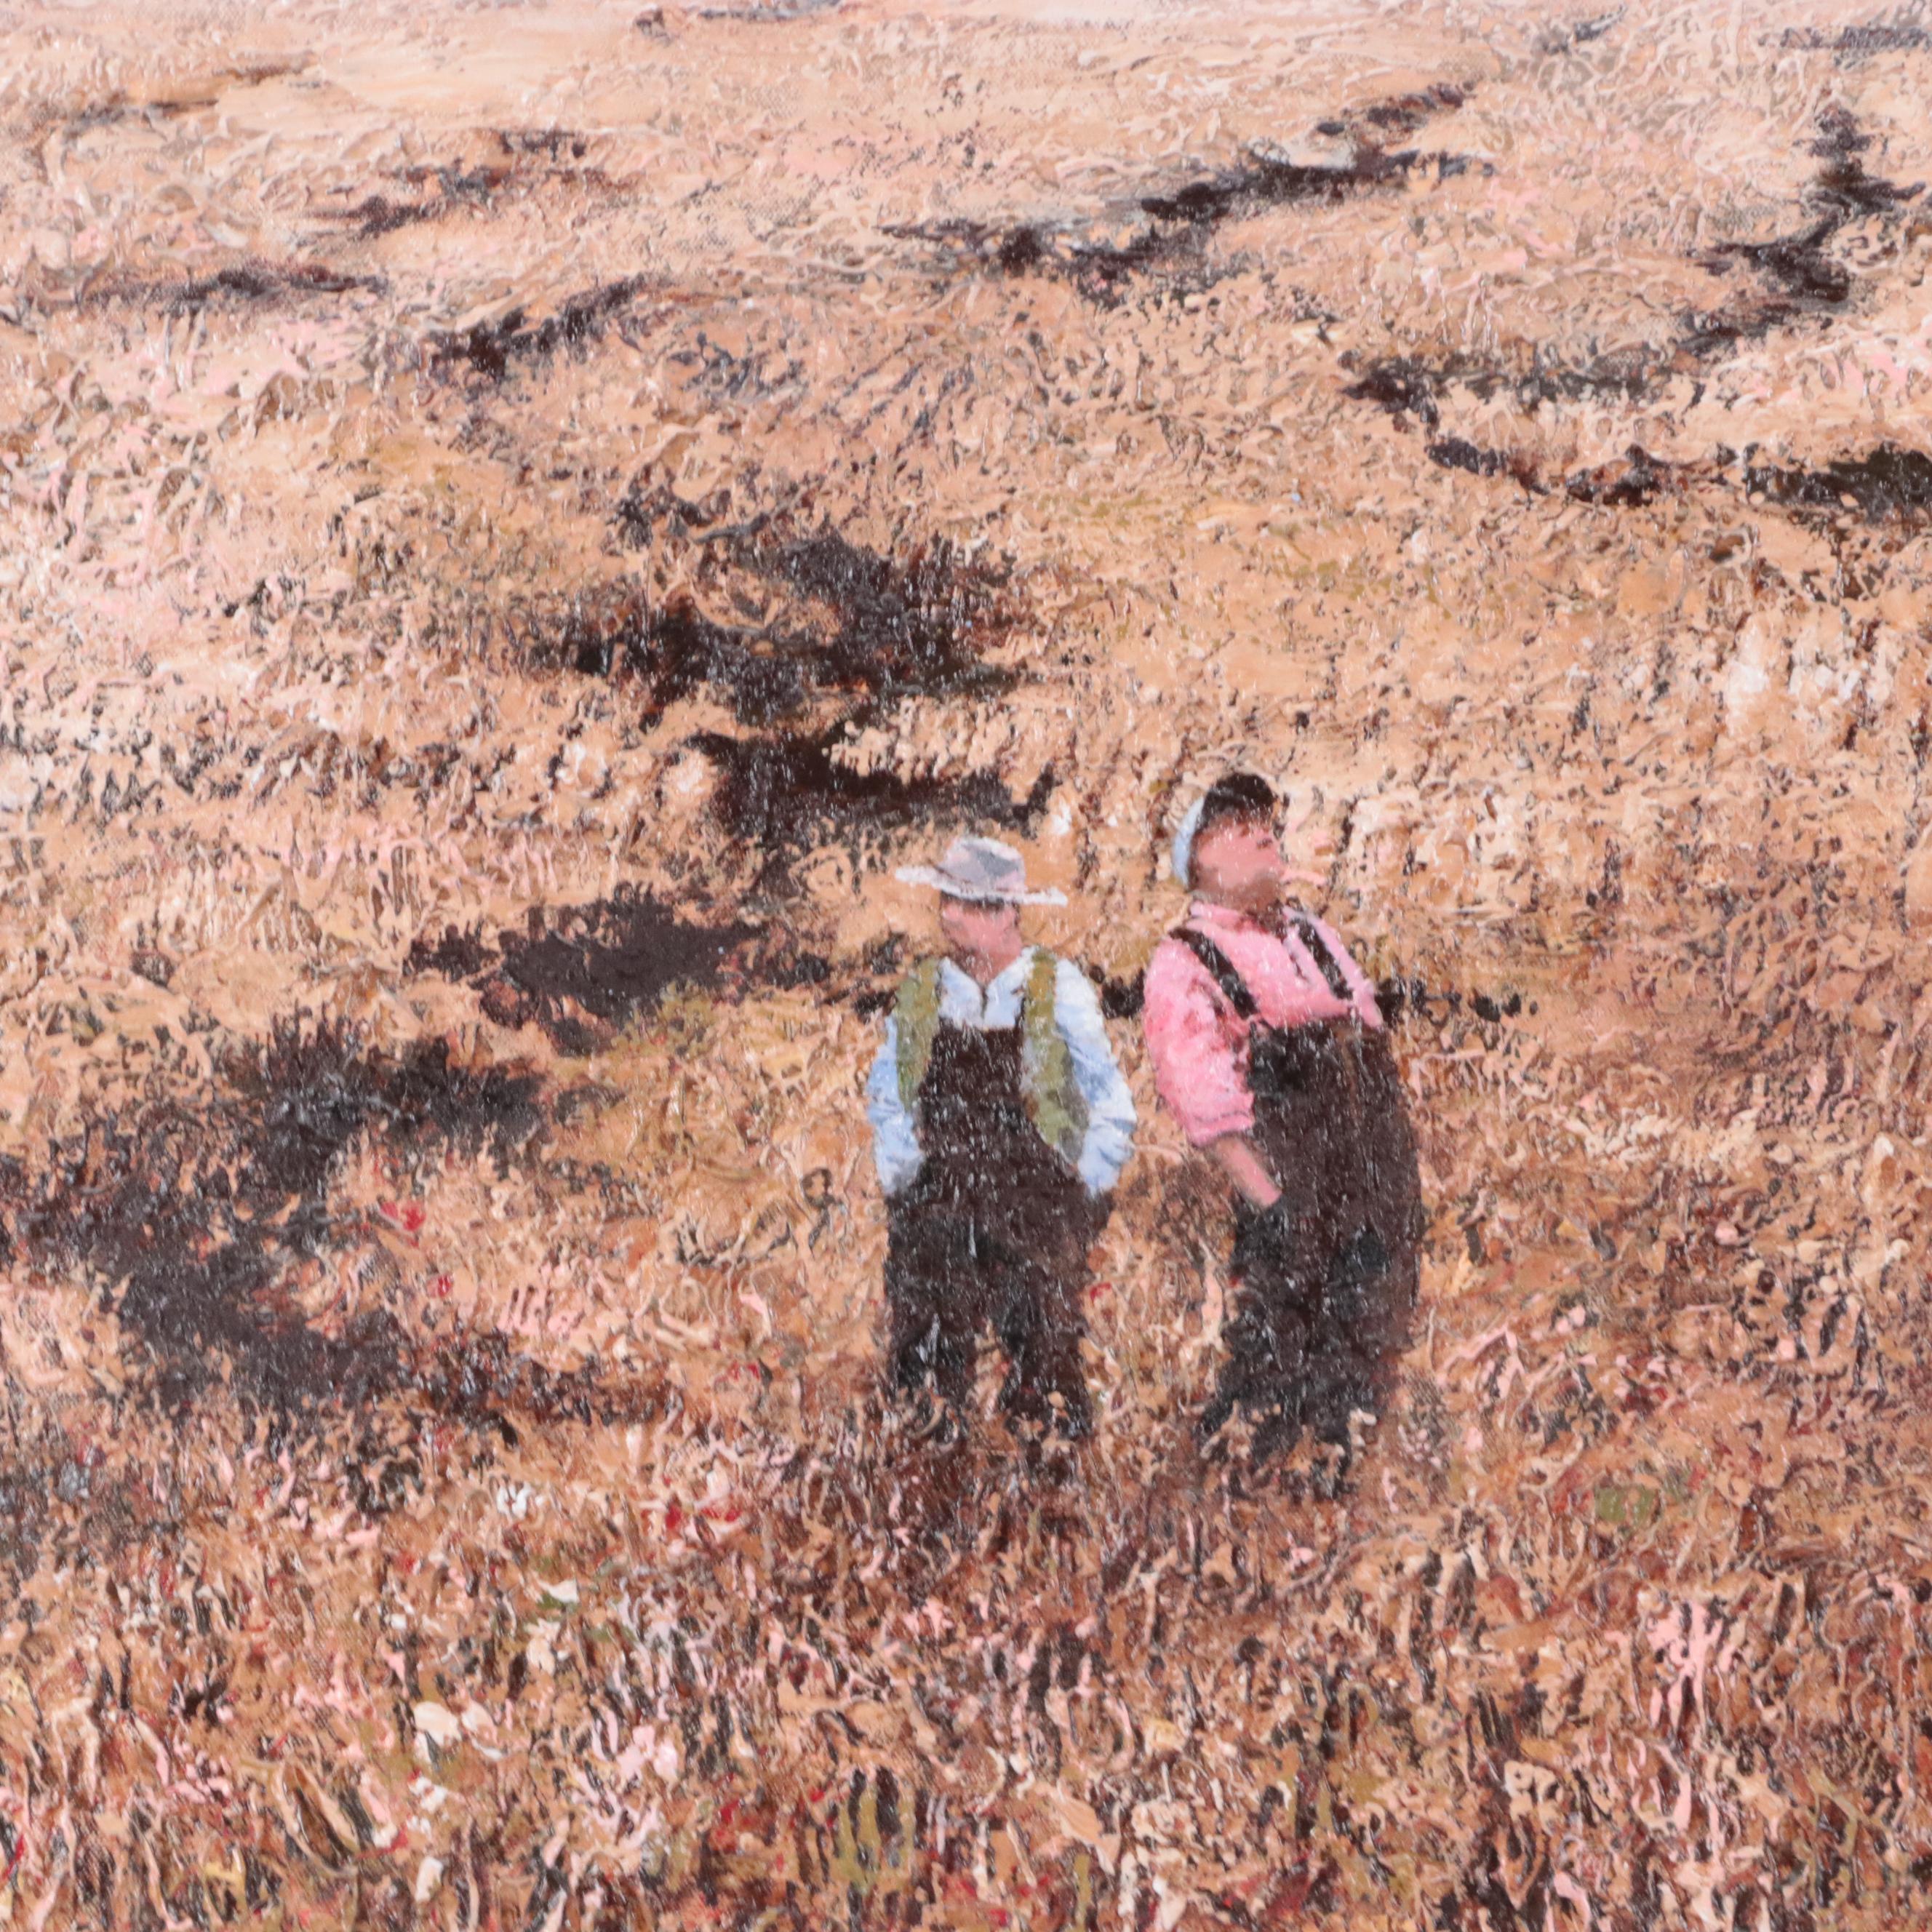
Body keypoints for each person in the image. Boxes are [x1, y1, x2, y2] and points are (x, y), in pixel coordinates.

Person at [1141, 773, 1424, 1470]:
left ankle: (1334, 1479)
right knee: (1278, 1337)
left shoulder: (1313, 934)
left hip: (1371, 1168)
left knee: (1368, 1326)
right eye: (1237, 827)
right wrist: (1271, 1205)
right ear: (1197, 862)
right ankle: (1231, 1486)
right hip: (1288, 1179)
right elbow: (1204, 1102)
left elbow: (1368, 1031)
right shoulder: (1187, 961)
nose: (1263, 833)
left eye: (1265, 820)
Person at [866, 835, 1135, 1444]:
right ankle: (928, 1489)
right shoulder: (923, 991)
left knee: (1046, 1352)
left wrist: (1084, 1195)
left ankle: (1050, 1498)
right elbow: (889, 1097)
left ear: (1009, 913)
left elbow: (1108, 1099)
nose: (951, 916)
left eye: (972, 904)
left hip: (1033, 1200)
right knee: (926, 1360)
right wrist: (904, 1185)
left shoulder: (1055, 986)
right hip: (939, 1198)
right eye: (948, 901)